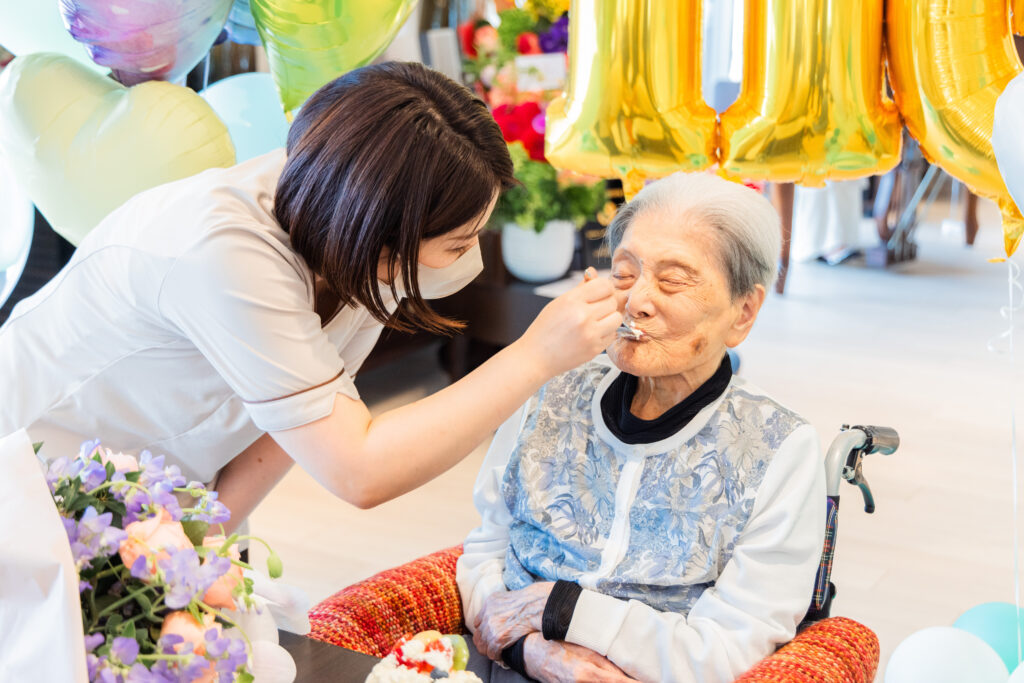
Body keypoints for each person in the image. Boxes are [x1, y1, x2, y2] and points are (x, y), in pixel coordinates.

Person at [0, 61, 621, 529]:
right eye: (458, 244)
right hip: (35, 470)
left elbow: (295, 426)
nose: (470, 259)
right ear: (382, 233)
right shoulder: (223, 251)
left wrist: (201, 551)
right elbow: (359, 468)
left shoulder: (353, 239)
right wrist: (536, 356)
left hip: (153, 491)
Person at [457, 172, 825, 683]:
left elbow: (730, 646)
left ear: (744, 313)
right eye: (624, 273)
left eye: (673, 280)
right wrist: (528, 652)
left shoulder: (780, 447)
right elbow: (486, 548)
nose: (636, 301)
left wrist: (565, 608)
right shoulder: (549, 389)